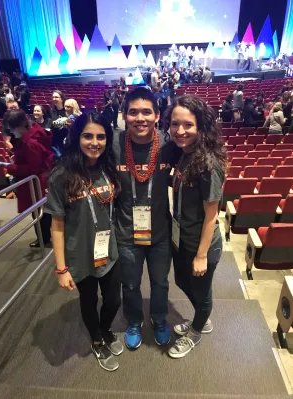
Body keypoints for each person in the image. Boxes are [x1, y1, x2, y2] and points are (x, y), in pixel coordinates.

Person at [45, 112, 123, 372]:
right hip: (79, 254)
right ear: (76, 137)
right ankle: (97, 337)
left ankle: (105, 326)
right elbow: (57, 225)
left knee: (113, 300)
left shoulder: (108, 167)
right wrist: (61, 268)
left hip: (109, 250)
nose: (95, 142)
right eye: (87, 136)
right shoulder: (61, 175)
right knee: (88, 301)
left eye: (101, 137)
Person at [113, 87, 181, 350]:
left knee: (160, 282)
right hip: (126, 232)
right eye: (132, 112)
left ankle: (159, 318)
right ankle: (133, 320)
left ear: (156, 115)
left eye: (146, 112)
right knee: (129, 283)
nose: (139, 118)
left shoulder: (169, 146)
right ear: (124, 115)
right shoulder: (114, 145)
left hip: (160, 232)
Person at [163, 94, 226, 358]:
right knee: (182, 280)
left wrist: (201, 256)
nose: (180, 131)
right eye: (175, 124)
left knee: (201, 292)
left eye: (188, 125)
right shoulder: (186, 154)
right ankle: (202, 317)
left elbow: (212, 215)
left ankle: (198, 330)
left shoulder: (208, 164)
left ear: (200, 126)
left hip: (202, 245)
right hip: (182, 238)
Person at [3, 109, 54, 247]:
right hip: (39, 181)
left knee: (40, 213)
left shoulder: (31, 143)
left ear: (19, 126)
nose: (11, 132)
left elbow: (33, 168)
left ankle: (43, 239)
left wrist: (12, 167)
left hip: (37, 183)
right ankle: (44, 238)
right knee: (42, 212)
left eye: (12, 129)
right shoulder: (33, 137)